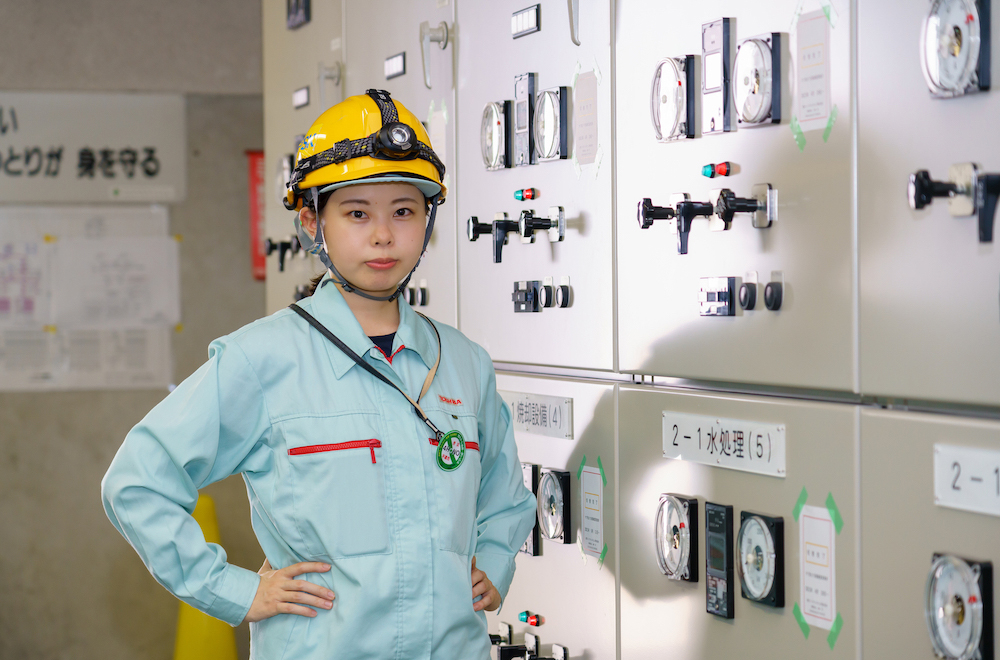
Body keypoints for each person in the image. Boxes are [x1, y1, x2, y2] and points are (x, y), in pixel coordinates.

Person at [101, 89, 537, 659]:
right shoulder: (262, 359)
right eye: (357, 213)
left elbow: (505, 495)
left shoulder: (462, 363)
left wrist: (496, 562)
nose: (383, 235)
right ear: (312, 221)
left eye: (404, 211)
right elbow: (138, 481)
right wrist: (236, 590)